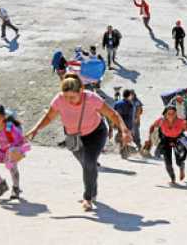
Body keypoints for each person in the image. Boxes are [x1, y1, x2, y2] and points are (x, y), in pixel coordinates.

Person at [26, 73, 132, 211]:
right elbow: (49, 116)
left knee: (89, 162)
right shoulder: (59, 99)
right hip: (72, 137)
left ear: (81, 91)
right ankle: (92, 189)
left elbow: (113, 114)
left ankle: (87, 198)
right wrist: (36, 129)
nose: (69, 100)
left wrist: (124, 130)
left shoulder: (91, 98)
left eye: (72, 97)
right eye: (66, 97)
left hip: (95, 134)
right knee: (87, 165)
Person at [0, 105, 30, 199]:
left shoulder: (10, 127)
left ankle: (16, 188)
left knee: (13, 170)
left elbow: (21, 140)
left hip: (10, 151)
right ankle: (2, 185)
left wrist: (19, 152)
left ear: (3, 117)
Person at [149, 105, 187, 185]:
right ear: (165, 114)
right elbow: (152, 126)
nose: (171, 115)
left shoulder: (181, 121)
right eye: (169, 113)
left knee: (179, 161)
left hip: (178, 140)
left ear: (176, 114)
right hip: (166, 140)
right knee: (167, 162)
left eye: (173, 113)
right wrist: (150, 139)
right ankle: (173, 178)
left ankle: (181, 167)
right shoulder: (161, 121)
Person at [114, 89, 135, 159]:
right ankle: (124, 153)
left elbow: (114, 113)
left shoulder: (117, 103)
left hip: (119, 123)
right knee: (125, 138)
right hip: (127, 124)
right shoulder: (130, 104)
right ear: (129, 95)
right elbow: (131, 115)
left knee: (121, 136)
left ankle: (123, 151)